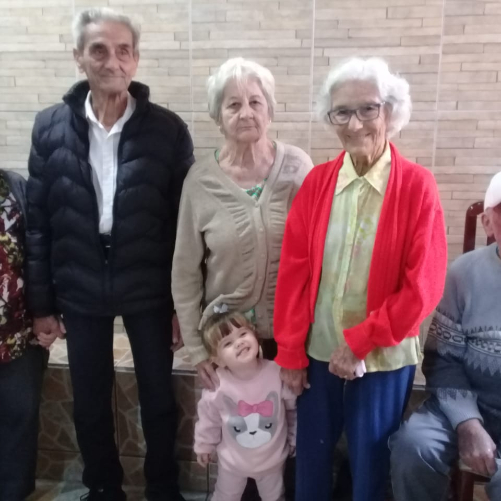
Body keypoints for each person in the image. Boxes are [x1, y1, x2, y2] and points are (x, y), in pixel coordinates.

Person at [25, 8, 194, 501]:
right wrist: (42, 304)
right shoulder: (49, 127)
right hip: (78, 278)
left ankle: (163, 488)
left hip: (148, 282)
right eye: (98, 50)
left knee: (158, 396)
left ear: (136, 59)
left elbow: (184, 225)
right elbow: (39, 221)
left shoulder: (167, 130)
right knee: (90, 402)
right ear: (79, 57)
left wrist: (183, 306)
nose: (112, 61)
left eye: (123, 50)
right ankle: (103, 488)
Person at [272, 57, 448, 501]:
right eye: (342, 112)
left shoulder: (417, 186)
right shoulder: (317, 183)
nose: (355, 124)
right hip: (317, 352)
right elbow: (293, 273)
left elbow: (423, 287)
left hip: (383, 357)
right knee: (311, 463)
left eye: (368, 108)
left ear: (389, 110)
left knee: (370, 469)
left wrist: (361, 341)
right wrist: (290, 351)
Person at [172, 57, 313, 392]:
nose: (246, 113)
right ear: (218, 117)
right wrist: (196, 349)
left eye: (255, 102)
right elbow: (185, 272)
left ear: (269, 111)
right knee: (237, 423)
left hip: (292, 337)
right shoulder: (200, 181)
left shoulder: (298, 168)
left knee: (291, 419)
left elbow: (317, 256)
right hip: (227, 340)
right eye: (233, 105)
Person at [390, 173, 501, 501]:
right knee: (413, 448)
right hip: (468, 400)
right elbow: (442, 360)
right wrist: (468, 423)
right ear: (488, 223)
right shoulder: (463, 274)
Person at [194, 312, 296, 501]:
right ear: (217, 359)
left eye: (243, 334)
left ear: (255, 335)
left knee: (275, 497)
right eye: (227, 343)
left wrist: (294, 437)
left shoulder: (277, 372)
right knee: (224, 496)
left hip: (272, 462)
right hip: (232, 463)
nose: (239, 342)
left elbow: (292, 410)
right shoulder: (218, 384)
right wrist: (204, 445)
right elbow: (208, 418)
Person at [0, 169, 51, 501]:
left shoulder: (15, 188)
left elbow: (40, 252)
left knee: (20, 417)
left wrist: (47, 311)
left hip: (17, 333)